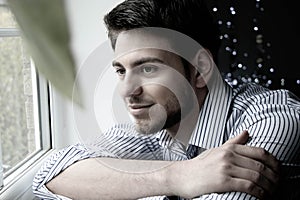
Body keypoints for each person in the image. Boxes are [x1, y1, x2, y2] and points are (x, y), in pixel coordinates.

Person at [32, 0, 300, 199]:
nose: (127, 91)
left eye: (148, 69)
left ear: (200, 69)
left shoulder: (272, 118)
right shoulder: (153, 128)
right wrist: (178, 175)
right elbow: (52, 173)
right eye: (121, 71)